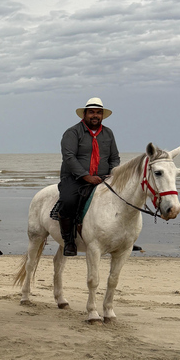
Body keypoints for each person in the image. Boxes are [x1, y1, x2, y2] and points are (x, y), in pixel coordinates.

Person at [58, 97, 120, 256]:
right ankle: (69, 241)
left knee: (120, 200)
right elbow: (69, 157)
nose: (95, 115)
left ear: (102, 116)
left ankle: (121, 239)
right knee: (68, 201)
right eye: (91, 112)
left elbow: (114, 158)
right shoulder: (72, 132)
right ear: (84, 114)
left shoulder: (108, 133)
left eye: (98, 113)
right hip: (74, 178)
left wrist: (113, 174)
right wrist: (86, 176)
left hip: (103, 178)